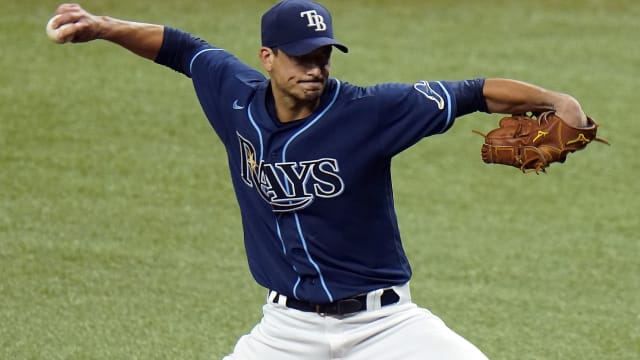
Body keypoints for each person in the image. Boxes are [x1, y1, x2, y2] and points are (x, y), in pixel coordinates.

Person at [48, 1, 590, 358]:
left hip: (386, 326)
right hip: (286, 332)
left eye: (324, 55)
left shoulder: (370, 110)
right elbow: (183, 49)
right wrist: (101, 26)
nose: (316, 67)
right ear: (267, 57)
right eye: (302, 57)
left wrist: (557, 102)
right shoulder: (234, 95)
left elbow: (474, 91)